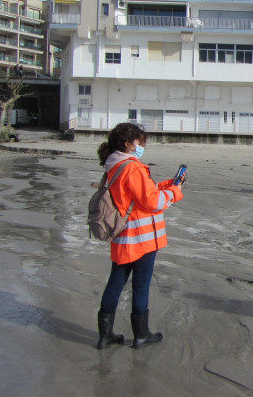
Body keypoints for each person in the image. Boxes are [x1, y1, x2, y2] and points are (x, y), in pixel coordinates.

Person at [95, 123, 186, 350]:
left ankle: (105, 335)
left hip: (122, 236)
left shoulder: (113, 166)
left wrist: (166, 185)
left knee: (115, 283)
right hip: (141, 237)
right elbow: (152, 202)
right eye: (139, 142)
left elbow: (140, 193)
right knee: (141, 285)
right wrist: (174, 192)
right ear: (128, 144)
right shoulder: (132, 168)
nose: (141, 146)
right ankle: (141, 334)